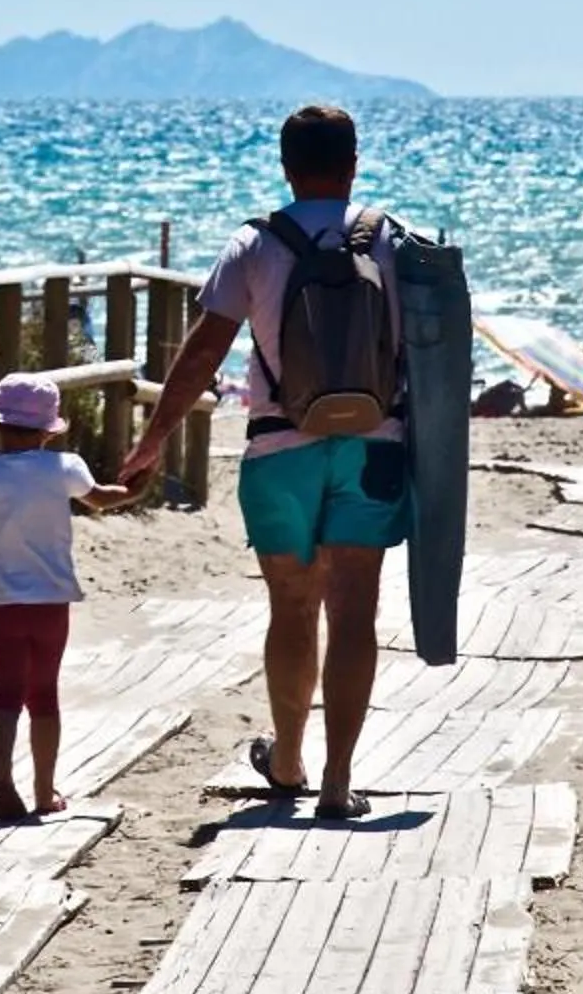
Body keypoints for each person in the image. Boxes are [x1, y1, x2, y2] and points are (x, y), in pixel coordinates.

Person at [123, 103, 409, 822]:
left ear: (286, 168)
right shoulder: (394, 242)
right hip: (375, 447)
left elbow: (204, 352)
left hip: (280, 446)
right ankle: (339, 781)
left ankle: (287, 760)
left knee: (291, 604)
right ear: (353, 165)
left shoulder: (254, 243)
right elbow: (433, 359)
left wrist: (154, 439)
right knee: (355, 612)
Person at [0, 372, 135, 820]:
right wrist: (138, 484)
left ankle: (3, 781)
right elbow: (102, 499)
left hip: (3, 603)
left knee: (3, 693)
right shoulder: (66, 468)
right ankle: (45, 792)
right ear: (49, 432)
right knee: (44, 694)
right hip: (52, 602)